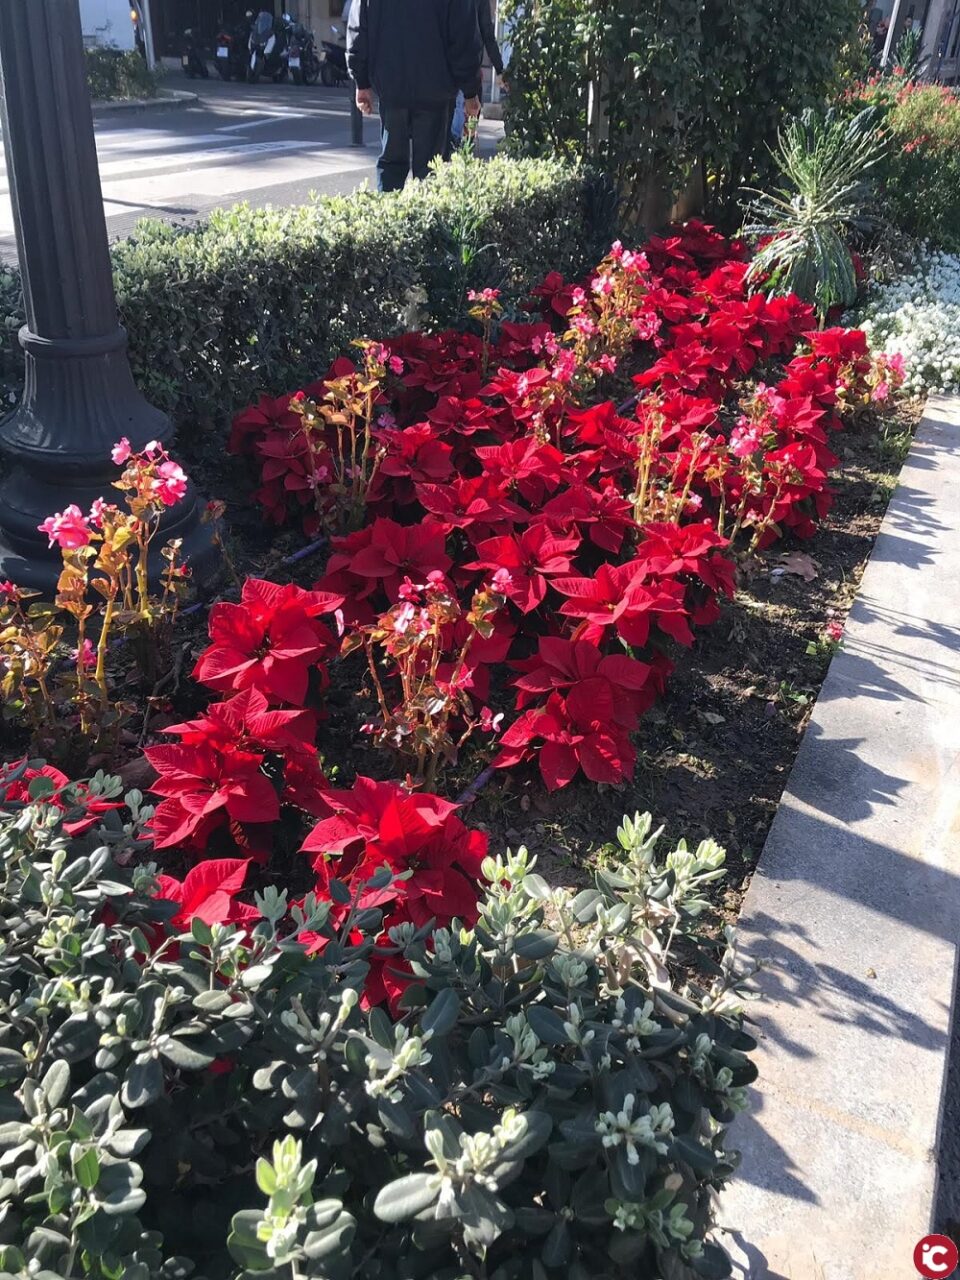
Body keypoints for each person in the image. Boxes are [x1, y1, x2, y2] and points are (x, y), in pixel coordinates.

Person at [347, 0, 482, 192]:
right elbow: (463, 37)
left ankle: (388, 219)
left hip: (391, 86)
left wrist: (362, 82)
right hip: (435, 88)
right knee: (430, 171)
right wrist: (470, 92)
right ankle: (426, 219)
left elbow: (359, 27)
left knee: (391, 166)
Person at [451, 0, 506, 146]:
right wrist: (499, 69)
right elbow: (487, 34)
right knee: (467, 127)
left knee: (452, 131)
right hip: (469, 68)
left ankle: (454, 147)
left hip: (446, 69)